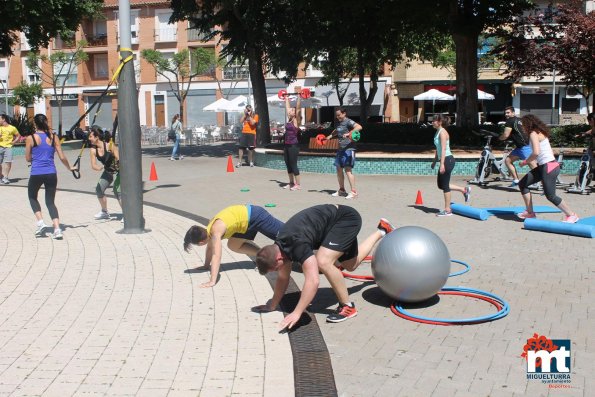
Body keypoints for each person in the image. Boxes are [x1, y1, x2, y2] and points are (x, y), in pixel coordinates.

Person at [254, 204, 394, 328]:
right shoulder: (279, 248)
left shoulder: (296, 244)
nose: (279, 270)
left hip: (346, 219)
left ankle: (347, 307)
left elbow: (313, 281)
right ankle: (382, 230)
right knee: (351, 265)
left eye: (277, 268)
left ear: (278, 258)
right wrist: (272, 304)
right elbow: (283, 278)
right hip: (331, 228)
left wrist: (297, 313)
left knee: (323, 261)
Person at [183, 204, 284, 288]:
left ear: (200, 243)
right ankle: (264, 256)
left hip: (256, 215)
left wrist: (212, 281)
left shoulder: (215, 231)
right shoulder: (208, 229)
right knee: (233, 245)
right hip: (244, 224)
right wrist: (206, 266)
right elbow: (210, 248)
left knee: (286, 235)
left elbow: (216, 256)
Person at [516, 114, 579, 223]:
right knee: (523, 183)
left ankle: (572, 215)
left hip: (549, 166)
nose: (521, 127)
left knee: (550, 195)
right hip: (544, 166)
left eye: (522, 125)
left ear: (528, 124)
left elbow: (536, 152)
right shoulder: (538, 132)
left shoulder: (533, 133)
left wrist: (525, 162)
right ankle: (530, 213)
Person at [25, 114, 76, 239]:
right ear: (46, 122)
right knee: (50, 202)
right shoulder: (54, 137)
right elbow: (62, 156)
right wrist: (70, 168)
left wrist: (35, 157)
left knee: (32, 197)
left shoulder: (31, 138)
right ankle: (57, 229)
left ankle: (41, 222)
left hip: (36, 173)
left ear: (35, 124)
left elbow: (27, 158)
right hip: (51, 173)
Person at [431, 114, 471, 217]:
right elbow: (438, 148)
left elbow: (444, 149)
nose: (432, 122)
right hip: (445, 160)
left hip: (447, 160)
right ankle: (464, 190)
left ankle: (447, 210)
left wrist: (442, 164)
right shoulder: (438, 132)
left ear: (440, 122)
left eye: (434, 120)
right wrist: (435, 161)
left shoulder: (443, 133)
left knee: (445, 187)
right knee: (441, 185)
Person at [326, 108, 362, 199]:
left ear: (344, 114)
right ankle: (342, 190)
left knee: (348, 170)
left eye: (339, 115)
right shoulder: (339, 123)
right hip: (340, 149)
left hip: (349, 149)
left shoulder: (348, 121)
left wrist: (349, 133)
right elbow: (336, 130)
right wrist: (330, 136)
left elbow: (359, 127)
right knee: (339, 169)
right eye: (336, 115)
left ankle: (353, 192)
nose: (337, 117)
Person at [88, 126, 121, 220]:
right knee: (99, 189)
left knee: (117, 191)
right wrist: (98, 168)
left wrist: (119, 169)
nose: (89, 138)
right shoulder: (93, 150)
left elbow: (119, 159)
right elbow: (93, 165)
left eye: (90, 136)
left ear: (96, 137)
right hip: (108, 171)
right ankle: (104, 211)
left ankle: (126, 215)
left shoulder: (110, 145)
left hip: (119, 170)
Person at [500, 106, 536, 187]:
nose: (506, 114)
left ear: (513, 112)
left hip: (524, 147)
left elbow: (506, 135)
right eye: (505, 113)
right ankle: (516, 180)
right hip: (520, 147)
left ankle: (544, 185)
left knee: (533, 165)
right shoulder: (520, 120)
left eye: (508, 112)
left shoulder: (510, 121)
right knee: (508, 160)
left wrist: (499, 138)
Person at [282, 90, 302, 190]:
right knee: (288, 163)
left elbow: (298, 109)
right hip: (286, 145)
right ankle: (291, 183)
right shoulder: (289, 119)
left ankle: (298, 185)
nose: (290, 111)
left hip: (294, 145)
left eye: (292, 111)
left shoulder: (296, 120)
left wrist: (299, 97)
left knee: (293, 164)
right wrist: (286, 97)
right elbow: (287, 107)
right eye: (290, 110)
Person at [0, 114, 21, 184]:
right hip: (0, 147)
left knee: (8, 162)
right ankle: (0, 177)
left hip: (9, 147)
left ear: (3, 119)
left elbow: (18, 136)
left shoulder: (12, 128)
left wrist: (14, 142)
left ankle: (5, 177)